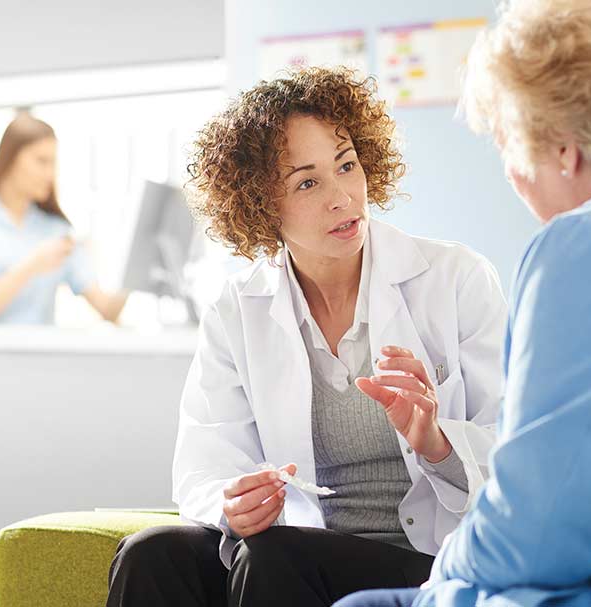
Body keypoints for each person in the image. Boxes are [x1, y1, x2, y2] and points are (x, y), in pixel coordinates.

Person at [335, 1, 591, 606]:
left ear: (563, 150)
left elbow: (542, 529)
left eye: (506, 143)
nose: (509, 172)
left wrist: (444, 572)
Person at [106, 67, 506, 607]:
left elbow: (515, 453)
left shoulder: (456, 278)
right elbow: (205, 462)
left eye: (347, 166)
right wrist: (233, 505)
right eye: (308, 182)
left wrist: (434, 441)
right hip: (291, 553)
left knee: (274, 557)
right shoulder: (236, 309)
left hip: (427, 560)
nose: (343, 197)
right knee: (150, 553)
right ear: (261, 206)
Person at [0, 113, 127, 324]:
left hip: (38, 356)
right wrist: (31, 266)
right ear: (10, 160)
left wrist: (137, 264)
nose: (49, 174)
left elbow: (107, 309)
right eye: (41, 161)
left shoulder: (56, 230)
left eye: (53, 163)